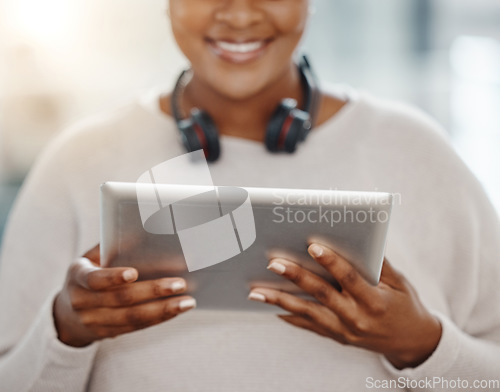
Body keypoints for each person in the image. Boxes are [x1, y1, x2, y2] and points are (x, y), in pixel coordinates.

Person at [1, 0, 499, 391]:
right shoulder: (79, 160)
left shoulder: (416, 151)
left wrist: (422, 345)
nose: (239, 15)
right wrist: (65, 332)